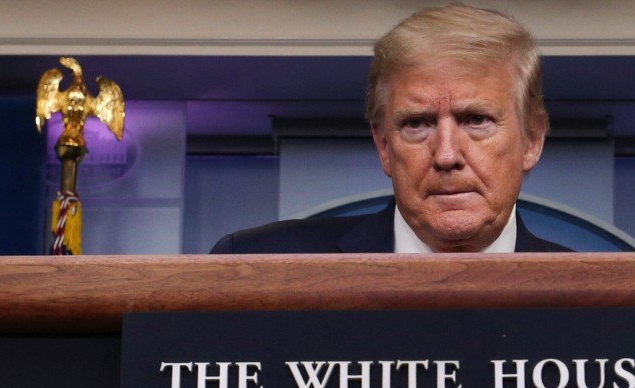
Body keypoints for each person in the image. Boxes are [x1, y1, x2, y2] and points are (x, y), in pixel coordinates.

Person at [211, 3, 569, 254]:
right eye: (416, 123)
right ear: (383, 145)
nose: (446, 156)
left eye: (476, 120)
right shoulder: (256, 267)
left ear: (532, 140)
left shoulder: (607, 303)